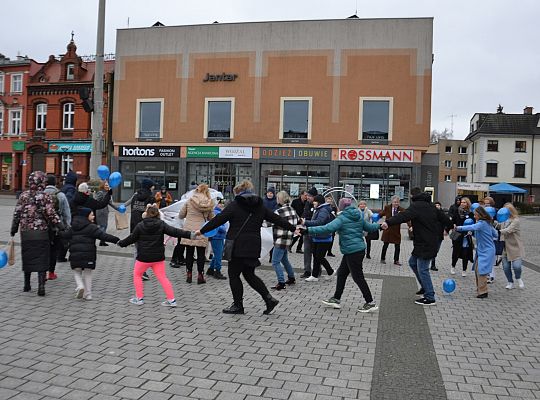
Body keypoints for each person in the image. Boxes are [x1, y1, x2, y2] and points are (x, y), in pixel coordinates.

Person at [197, 180, 296, 315]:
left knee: (234, 275)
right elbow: (276, 219)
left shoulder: (235, 204)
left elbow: (218, 219)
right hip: (253, 245)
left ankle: (238, 305)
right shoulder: (260, 205)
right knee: (249, 274)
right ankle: (269, 299)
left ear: (238, 192)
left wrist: (202, 231)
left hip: (237, 245)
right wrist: (293, 228)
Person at [303, 198, 381, 312]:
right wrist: (379, 226)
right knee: (341, 273)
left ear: (341, 207)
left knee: (358, 277)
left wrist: (307, 230)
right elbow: (369, 227)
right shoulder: (358, 215)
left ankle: (370, 302)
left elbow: (327, 228)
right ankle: (336, 299)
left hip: (352, 251)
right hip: (356, 250)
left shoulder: (342, 218)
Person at [381, 188, 451, 306]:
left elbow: (403, 216)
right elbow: (445, 219)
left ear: (413, 196)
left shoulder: (416, 206)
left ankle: (430, 297)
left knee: (423, 269)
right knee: (413, 262)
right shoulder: (431, 206)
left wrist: (388, 222)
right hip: (425, 242)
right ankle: (425, 286)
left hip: (426, 243)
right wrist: (448, 227)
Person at [118, 205, 195, 307]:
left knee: (137, 275)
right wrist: (190, 234)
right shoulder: (161, 224)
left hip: (143, 258)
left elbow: (131, 238)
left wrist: (121, 243)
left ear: (146, 214)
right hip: (158, 258)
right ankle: (171, 300)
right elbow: (175, 231)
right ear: (158, 214)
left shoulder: (140, 225)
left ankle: (139, 298)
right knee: (163, 277)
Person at [11, 171, 63, 296]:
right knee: (42, 258)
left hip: (26, 232)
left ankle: (27, 284)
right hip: (41, 232)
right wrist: (60, 225)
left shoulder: (23, 196)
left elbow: (17, 213)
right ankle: (41, 286)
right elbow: (51, 213)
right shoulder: (45, 196)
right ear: (42, 182)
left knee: (27, 257)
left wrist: (13, 229)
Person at [61, 208, 119, 300]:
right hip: (89, 254)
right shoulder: (92, 227)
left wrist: (58, 231)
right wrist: (117, 240)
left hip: (75, 254)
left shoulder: (73, 227)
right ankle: (88, 295)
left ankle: (80, 286)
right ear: (86, 216)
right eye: (92, 214)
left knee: (77, 271)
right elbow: (104, 236)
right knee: (88, 273)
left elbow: (64, 235)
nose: (94, 216)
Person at [455, 206, 498, 299]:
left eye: (475, 215)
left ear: (480, 215)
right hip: (483, 250)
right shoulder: (487, 223)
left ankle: (483, 292)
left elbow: (471, 226)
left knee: (481, 271)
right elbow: (496, 234)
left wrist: (457, 227)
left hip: (487, 250)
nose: (474, 216)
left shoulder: (482, 223)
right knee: (478, 270)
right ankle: (480, 289)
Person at [178, 183, 214, 284]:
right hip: (202, 230)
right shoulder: (209, 202)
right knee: (201, 254)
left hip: (189, 230)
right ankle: (200, 276)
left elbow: (181, 215)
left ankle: (189, 275)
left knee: (189, 253)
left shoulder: (189, 200)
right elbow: (212, 219)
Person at [124, 178, 156, 281]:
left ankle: (138, 271)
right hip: (146, 226)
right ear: (149, 187)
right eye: (152, 186)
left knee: (137, 249)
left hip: (134, 225)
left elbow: (131, 209)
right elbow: (153, 214)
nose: (154, 187)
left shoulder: (135, 196)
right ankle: (140, 271)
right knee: (144, 250)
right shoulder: (151, 198)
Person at [302, 194, 335, 282]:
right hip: (318, 236)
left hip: (324, 237)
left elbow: (319, 222)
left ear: (319, 202)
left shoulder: (323, 210)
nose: (313, 203)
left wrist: (305, 222)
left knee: (319, 257)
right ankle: (315, 275)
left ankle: (331, 271)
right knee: (316, 257)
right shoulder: (320, 209)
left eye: (315, 201)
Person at [44, 174, 71, 280]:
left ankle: (43, 272)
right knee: (54, 250)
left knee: (44, 250)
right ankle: (51, 273)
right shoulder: (61, 195)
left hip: (42, 227)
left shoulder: (41, 194)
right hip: (56, 227)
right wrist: (67, 226)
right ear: (55, 183)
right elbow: (66, 212)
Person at [270, 191, 299, 290]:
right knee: (284, 259)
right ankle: (291, 278)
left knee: (275, 261)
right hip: (288, 239)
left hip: (280, 239)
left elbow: (268, 223)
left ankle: (281, 282)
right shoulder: (293, 210)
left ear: (280, 199)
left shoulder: (279, 211)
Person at [494, 203, 525, 289]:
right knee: (506, 267)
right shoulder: (503, 220)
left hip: (515, 247)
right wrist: (492, 222)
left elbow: (508, 230)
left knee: (517, 266)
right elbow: (499, 226)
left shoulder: (516, 220)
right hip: (505, 247)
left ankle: (518, 278)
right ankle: (510, 282)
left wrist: (498, 232)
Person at [57, 171, 78, 262]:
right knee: (69, 237)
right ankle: (63, 256)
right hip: (68, 216)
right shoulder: (71, 189)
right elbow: (68, 202)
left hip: (60, 216)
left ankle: (60, 256)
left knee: (63, 236)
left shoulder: (63, 188)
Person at [449, 197, 474, 276]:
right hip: (458, 234)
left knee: (465, 253)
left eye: (464, 202)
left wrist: (471, 230)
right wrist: (454, 225)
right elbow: (453, 221)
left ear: (468, 204)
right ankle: (453, 266)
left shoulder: (470, 213)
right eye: (462, 202)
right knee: (456, 251)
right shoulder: (457, 211)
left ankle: (464, 269)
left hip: (466, 235)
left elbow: (473, 223)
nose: (462, 203)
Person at [380, 195, 406, 266]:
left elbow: (407, 218)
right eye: (394, 202)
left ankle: (396, 260)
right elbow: (381, 214)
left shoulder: (402, 210)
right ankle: (382, 258)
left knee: (397, 246)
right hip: (388, 229)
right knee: (385, 245)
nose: (396, 204)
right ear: (392, 202)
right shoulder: (387, 207)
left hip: (396, 230)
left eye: (397, 202)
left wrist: (410, 226)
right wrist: (374, 218)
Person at [206, 198, 228, 280]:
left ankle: (211, 269)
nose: (222, 205)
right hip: (216, 236)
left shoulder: (219, 212)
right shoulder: (216, 213)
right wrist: (225, 229)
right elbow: (217, 225)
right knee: (219, 254)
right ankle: (217, 271)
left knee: (218, 253)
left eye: (223, 203)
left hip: (219, 236)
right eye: (220, 203)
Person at [93, 180, 118, 247]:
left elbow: (110, 203)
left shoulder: (107, 193)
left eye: (108, 185)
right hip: (100, 211)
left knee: (105, 226)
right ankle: (100, 240)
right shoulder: (101, 192)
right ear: (102, 186)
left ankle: (102, 241)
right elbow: (95, 201)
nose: (107, 186)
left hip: (105, 211)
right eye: (106, 185)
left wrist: (117, 208)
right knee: (102, 226)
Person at [300, 187, 318, 278]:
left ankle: (317, 270)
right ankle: (307, 270)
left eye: (309, 196)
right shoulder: (307, 203)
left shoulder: (319, 205)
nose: (307, 197)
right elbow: (305, 214)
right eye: (307, 196)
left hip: (315, 232)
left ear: (314, 197)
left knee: (316, 252)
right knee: (307, 251)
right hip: (306, 230)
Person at [430, 201, 445, 271]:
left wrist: (446, 230)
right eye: (436, 205)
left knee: (436, 250)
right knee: (434, 250)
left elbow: (446, 223)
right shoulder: (431, 214)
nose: (437, 206)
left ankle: (431, 261)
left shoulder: (443, 214)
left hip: (440, 236)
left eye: (438, 205)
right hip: (432, 236)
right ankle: (432, 265)